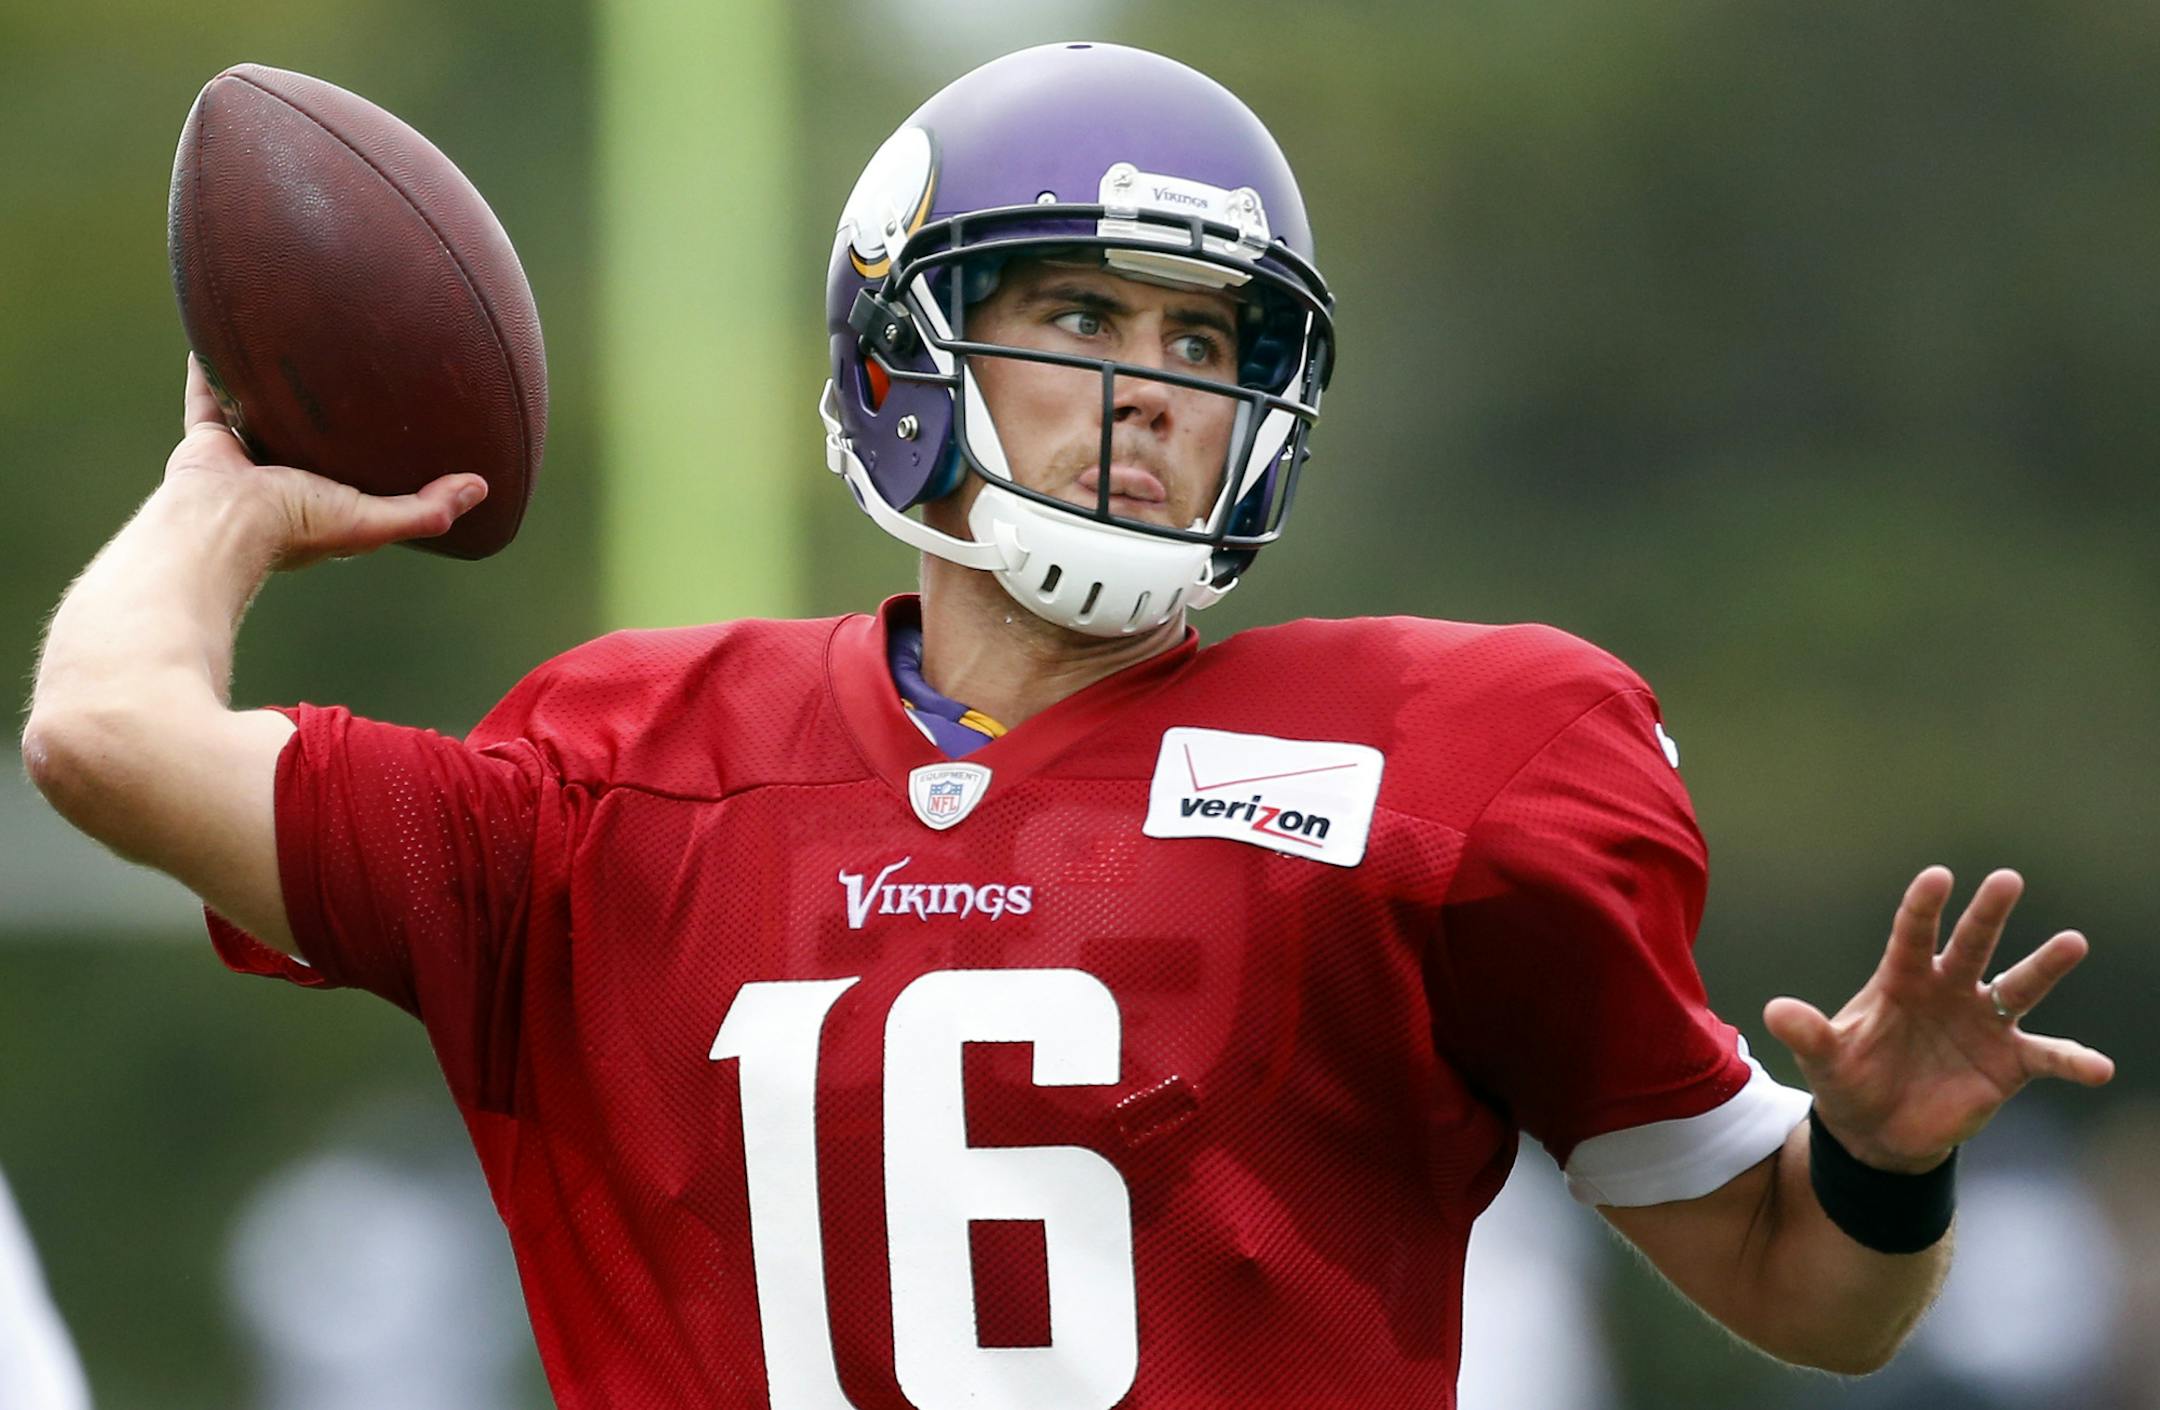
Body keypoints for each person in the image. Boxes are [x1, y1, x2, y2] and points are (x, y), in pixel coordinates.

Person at [21, 41, 2115, 1410]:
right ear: (907, 352)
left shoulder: (1450, 763)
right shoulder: (617, 774)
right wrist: (235, 482)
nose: (1151, 396)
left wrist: (1877, 1157)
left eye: (1206, 339)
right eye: (1081, 318)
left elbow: (1812, 1296)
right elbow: (107, 726)